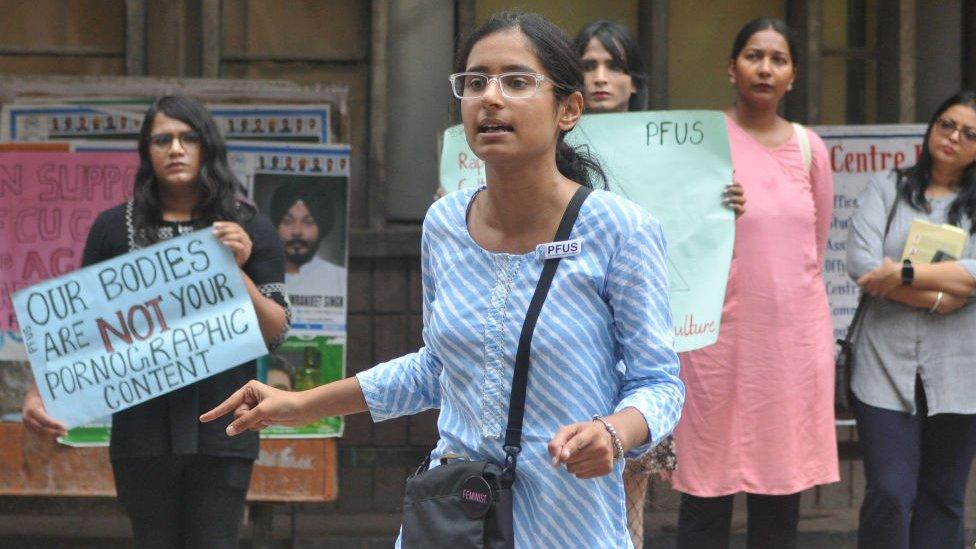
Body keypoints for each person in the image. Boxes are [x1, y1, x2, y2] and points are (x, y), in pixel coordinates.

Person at [202, 11, 684, 548]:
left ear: (568, 108)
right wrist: (297, 405)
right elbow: (436, 367)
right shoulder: (444, 224)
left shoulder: (621, 230)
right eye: (475, 82)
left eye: (517, 81)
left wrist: (616, 433)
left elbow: (661, 383)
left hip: (567, 520)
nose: (490, 98)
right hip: (456, 518)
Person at [21, 94, 291, 549]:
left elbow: (275, 333)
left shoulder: (249, 226)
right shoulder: (113, 228)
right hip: (142, 433)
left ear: (207, 146)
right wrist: (38, 391)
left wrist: (236, 270)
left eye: (188, 137)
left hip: (223, 432)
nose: (176, 149)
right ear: (146, 151)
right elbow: (79, 328)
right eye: (162, 139)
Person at [571, 20, 746, 549]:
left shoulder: (675, 156)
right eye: (589, 66)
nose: (602, 78)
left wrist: (725, 205)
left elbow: (695, 240)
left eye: (615, 66)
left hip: (632, 355)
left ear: (634, 81)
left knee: (627, 501)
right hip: (567, 346)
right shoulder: (542, 149)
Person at [669, 18, 837, 549]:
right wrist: (711, 207)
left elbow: (816, 244)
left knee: (779, 496)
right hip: (716, 343)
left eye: (778, 59)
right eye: (754, 56)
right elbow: (674, 233)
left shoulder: (812, 150)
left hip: (789, 343)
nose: (765, 68)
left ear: (793, 76)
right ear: (731, 67)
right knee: (704, 495)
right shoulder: (705, 143)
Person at [846, 91, 976, 549]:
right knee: (890, 491)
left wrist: (901, 273)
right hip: (883, 365)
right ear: (930, 128)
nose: (954, 137)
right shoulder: (889, 186)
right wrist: (943, 297)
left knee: (943, 495)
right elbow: (863, 264)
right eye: (946, 125)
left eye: (969, 133)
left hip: (961, 371)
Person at [268, 181, 345, 298]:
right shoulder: (259, 276)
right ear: (276, 225)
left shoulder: (338, 277)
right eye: (288, 221)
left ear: (322, 228)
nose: (297, 232)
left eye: (308, 222)